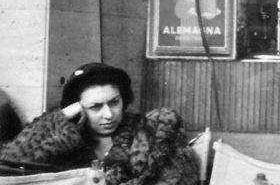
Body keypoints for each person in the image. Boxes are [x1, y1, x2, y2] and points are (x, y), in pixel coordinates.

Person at [0, 63, 198, 184]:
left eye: (114, 102)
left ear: (124, 99)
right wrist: (62, 115)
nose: (108, 114)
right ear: (79, 108)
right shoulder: (65, 137)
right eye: (95, 107)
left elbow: (178, 177)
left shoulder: (149, 131)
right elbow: (10, 158)